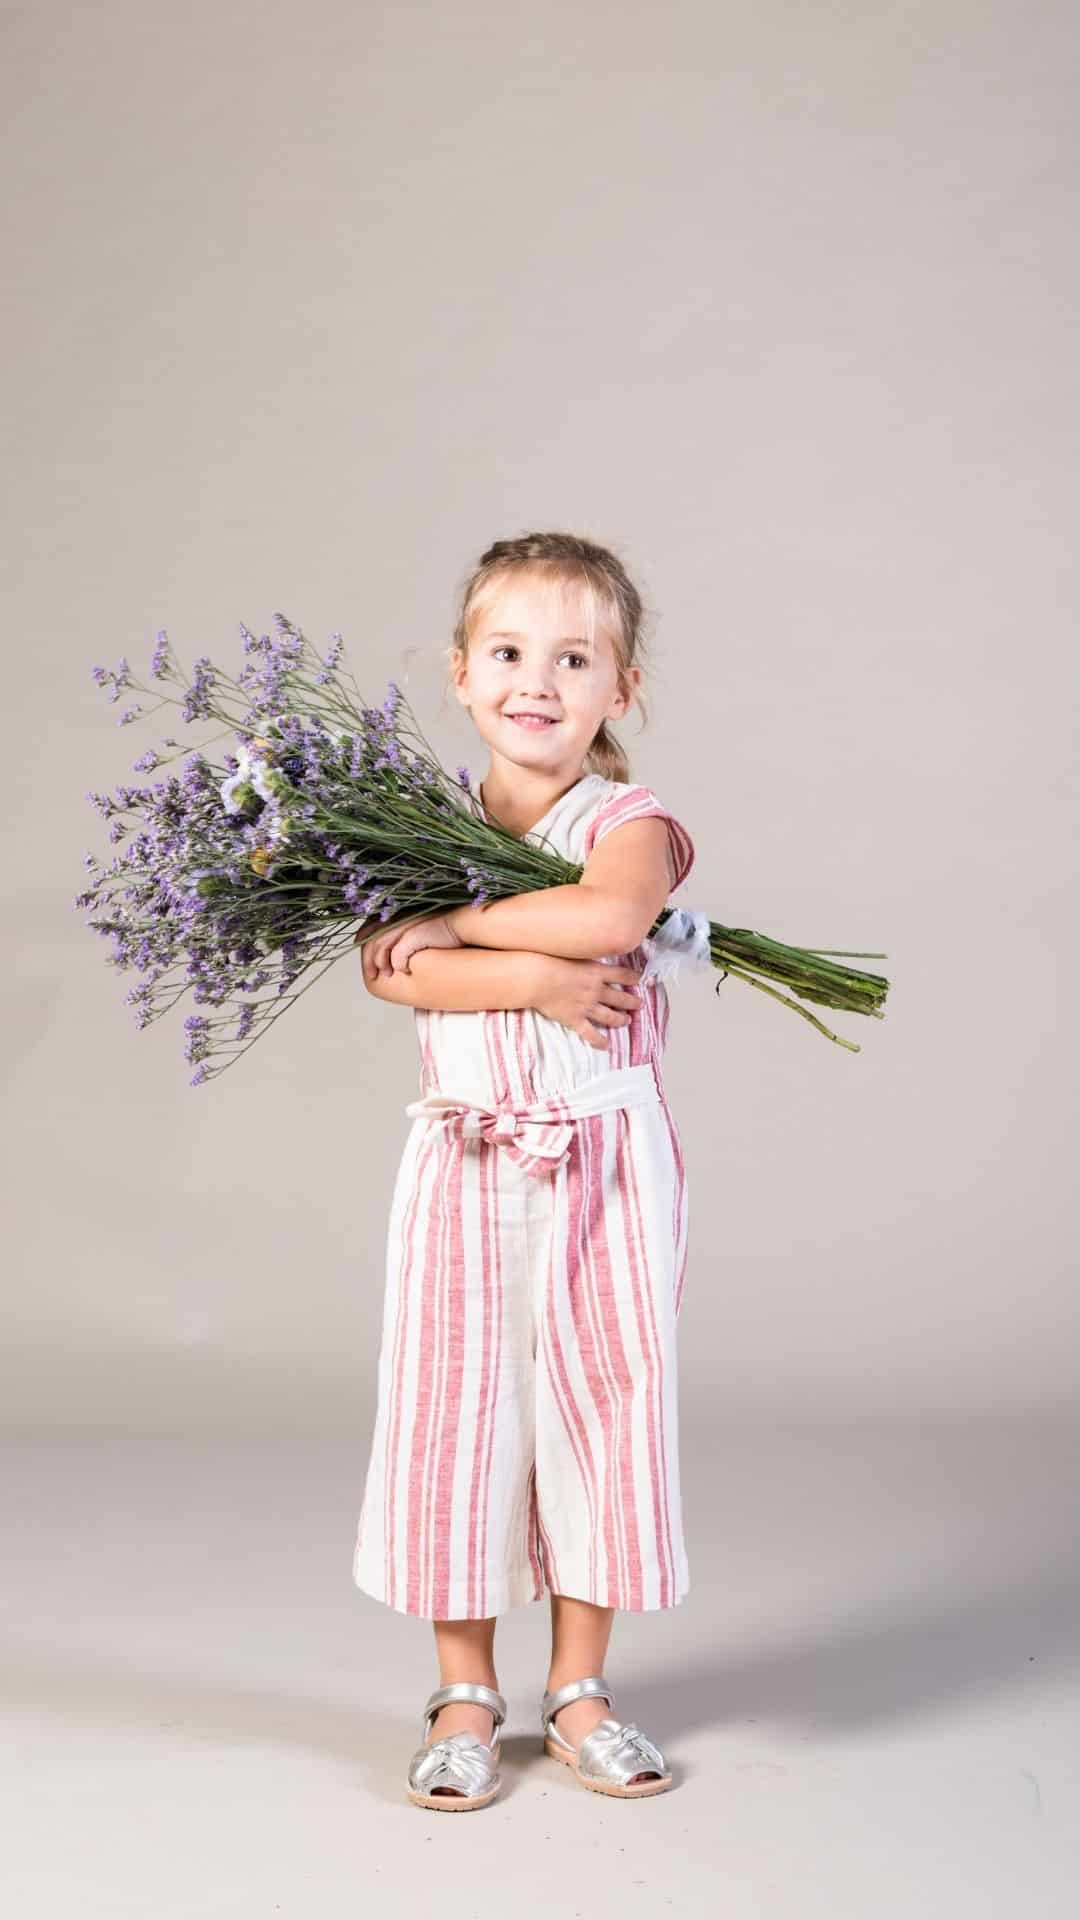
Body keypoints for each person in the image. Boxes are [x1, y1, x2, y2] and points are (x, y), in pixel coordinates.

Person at [352, 531, 696, 1809]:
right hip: (463, 1155)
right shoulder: (414, 824)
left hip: (604, 1162)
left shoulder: (630, 826)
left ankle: (580, 1690)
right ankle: (464, 1693)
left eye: (573, 659)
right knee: (457, 1409)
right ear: (461, 672)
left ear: (621, 689)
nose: (535, 682)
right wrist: (540, 979)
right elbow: (390, 973)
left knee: (602, 1405)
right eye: (506, 653)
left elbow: (609, 915)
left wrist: (453, 921)